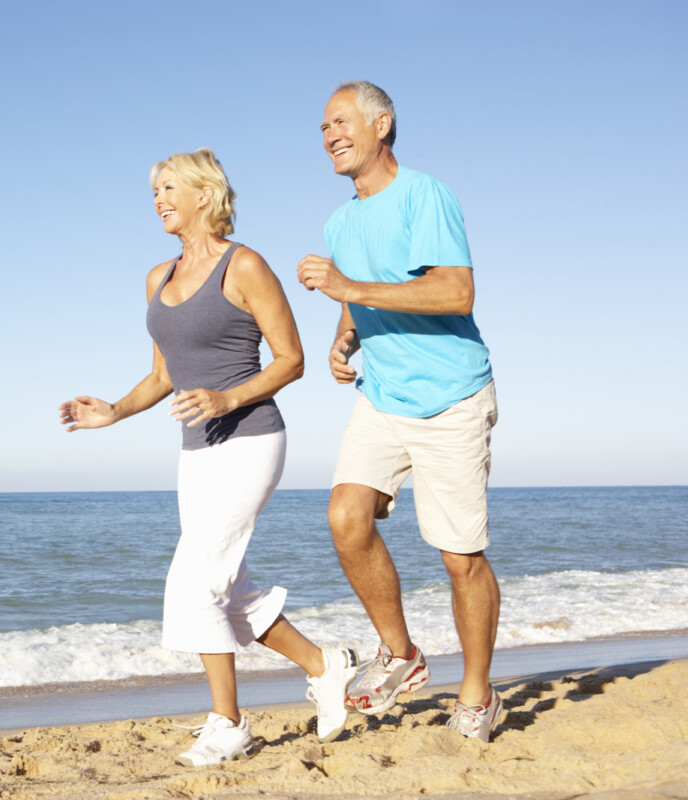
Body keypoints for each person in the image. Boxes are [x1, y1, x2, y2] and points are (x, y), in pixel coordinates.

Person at [59, 148, 359, 767]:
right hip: (196, 449)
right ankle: (325, 664)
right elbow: (163, 376)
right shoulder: (157, 279)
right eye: (154, 192)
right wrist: (111, 411)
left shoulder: (244, 265)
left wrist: (227, 395)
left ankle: (228, 722)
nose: (159, 200)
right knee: (227, 586)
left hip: (251, 438)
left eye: (169, 188)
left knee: (194, 581)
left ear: (204, 193)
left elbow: (290, 359)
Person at [296, 81, 503, 742]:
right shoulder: (339, 222)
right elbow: (355, 297)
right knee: (346, 516)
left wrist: (347, 286)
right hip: (382, 396)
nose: (328, 134)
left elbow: (455, 290)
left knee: (459, 557)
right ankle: (402, 655)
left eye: (340, 121)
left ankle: (477, 694)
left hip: (451, 398)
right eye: (322, 127)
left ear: (381, 124)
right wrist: (343, 336)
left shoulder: (424, 195)